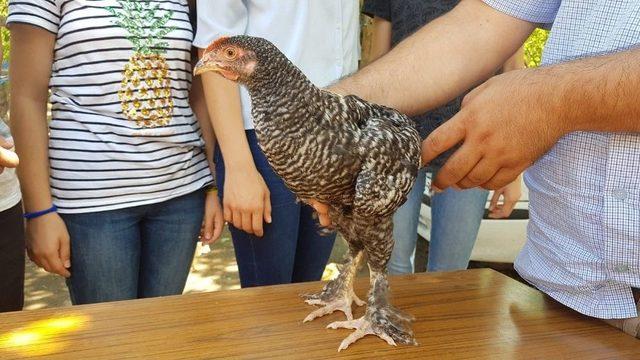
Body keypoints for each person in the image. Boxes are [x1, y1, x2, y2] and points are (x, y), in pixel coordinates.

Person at [311, 0, 640, 338]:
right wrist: (326, 111)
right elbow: (481, 24)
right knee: (394, 259)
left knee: (450, 273)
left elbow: (511, 60)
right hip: (564, 287)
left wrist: (551, 100)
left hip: (470, 152)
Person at [7, 0, 223, 305]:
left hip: (181, 197)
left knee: (160, 331)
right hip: (93, 205)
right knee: (108, 339)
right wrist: (39, 211)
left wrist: (213, 184)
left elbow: (197, 90)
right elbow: (27, 98)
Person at [194, 1, 360, 287]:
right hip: (262, 138)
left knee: (309, 287)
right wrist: (238, 166)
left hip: (333, 132)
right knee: (267, 297)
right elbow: (216, 46)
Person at [362, 0, 522, 274]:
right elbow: (377, 61)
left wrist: (513, 169)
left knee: (450, 274)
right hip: (398, 143)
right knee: (391, 269)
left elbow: (513, 68)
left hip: (471, 142)